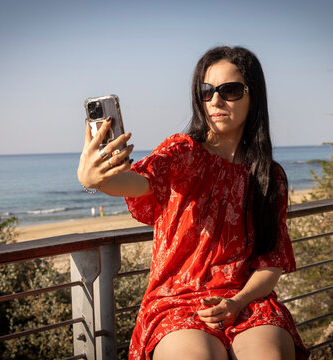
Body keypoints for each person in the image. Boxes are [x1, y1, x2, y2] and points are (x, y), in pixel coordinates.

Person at [77, 46, 309, 360]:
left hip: (246, 302)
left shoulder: (270, 176)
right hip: (178, 303)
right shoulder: (182, 153)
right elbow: (137, 183)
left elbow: (272, 262)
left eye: (230, 90)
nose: (215, 100)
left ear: (254, 96)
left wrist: (237, 302)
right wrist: (96, 180)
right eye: (206, 91)